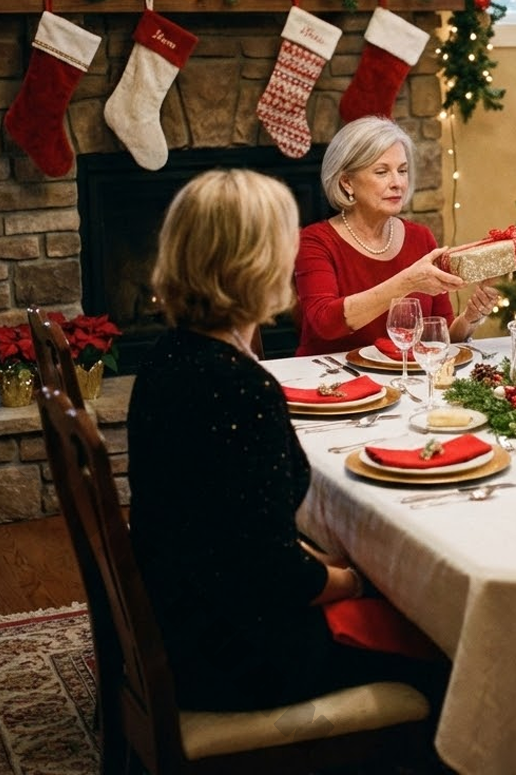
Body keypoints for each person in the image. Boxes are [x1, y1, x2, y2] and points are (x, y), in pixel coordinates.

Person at [127, 169, 445, 712]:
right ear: (257, 265)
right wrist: (360, 582)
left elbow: (239, 531)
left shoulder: (166, 358)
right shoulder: (242, 389)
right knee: (441, 638)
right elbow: (275, 575)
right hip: (239, 656)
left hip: (179, 615)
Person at [295, 116, 497, 356]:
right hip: (331, 382)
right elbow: (325, 321)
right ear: (347, 182)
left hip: (402, 379)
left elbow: (441, 339)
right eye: (382, 172)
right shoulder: (315, 240)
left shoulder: (420, 237)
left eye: (402, 170)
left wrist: (470, 318)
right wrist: (408, 282)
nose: (398, 183)